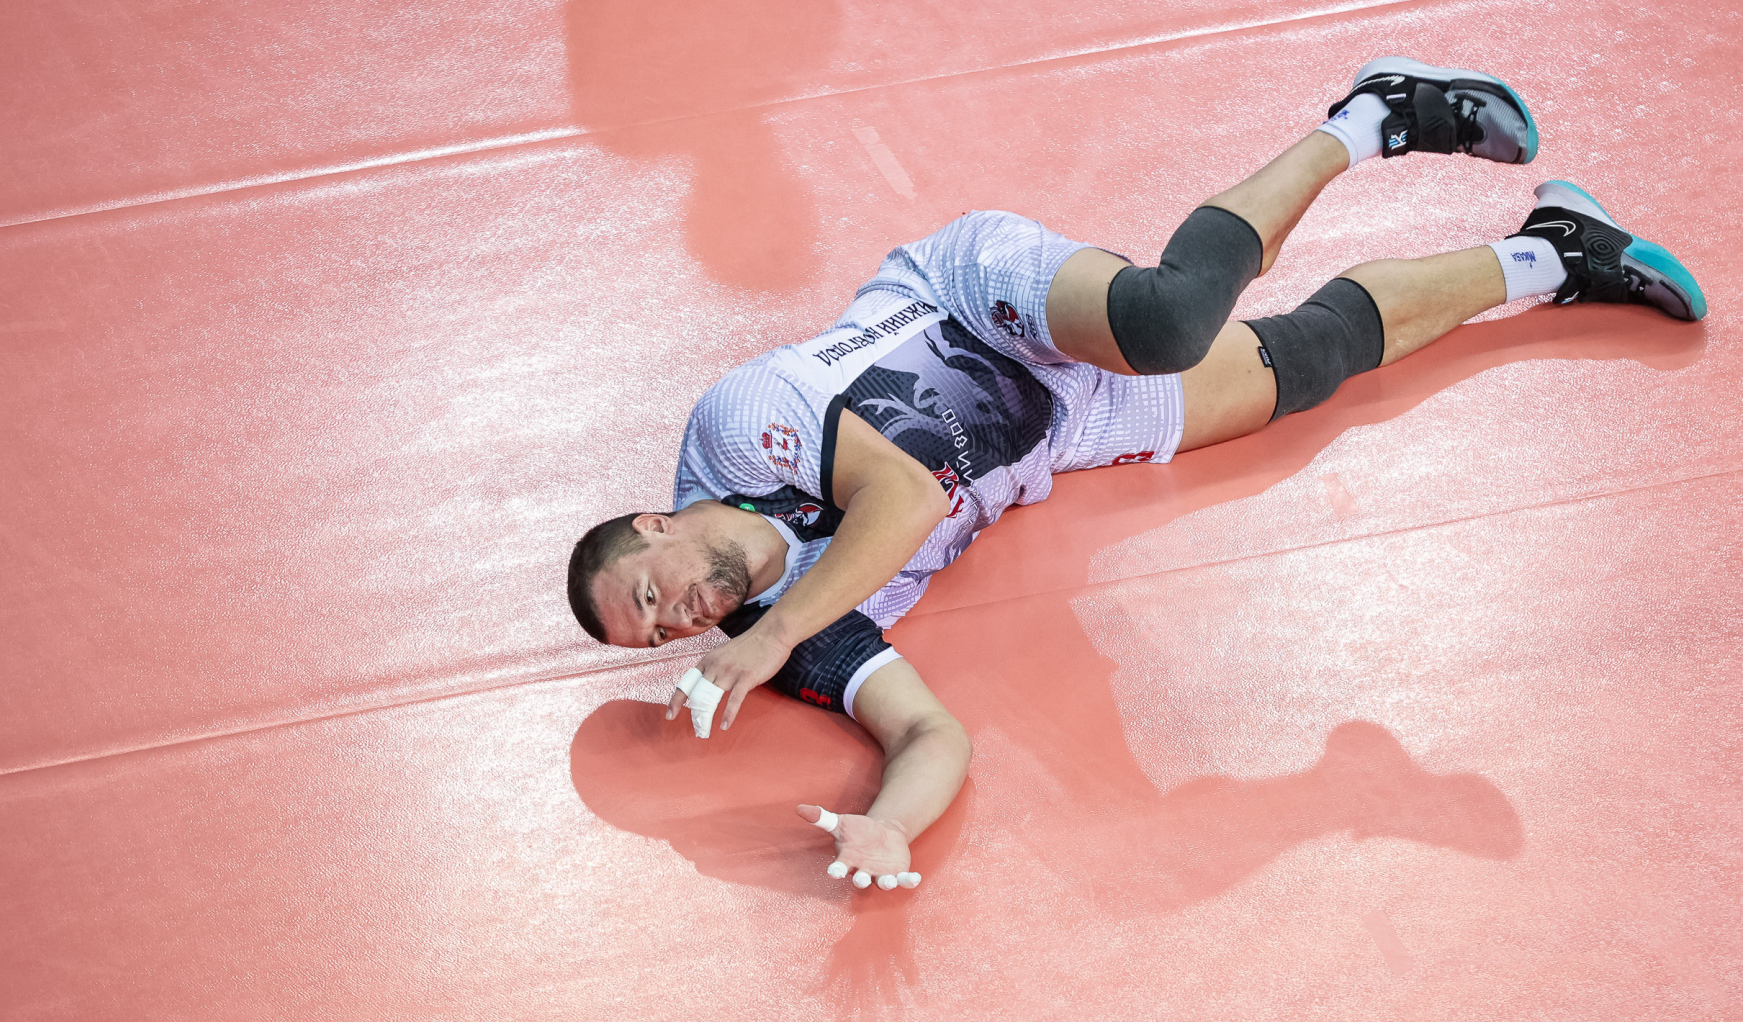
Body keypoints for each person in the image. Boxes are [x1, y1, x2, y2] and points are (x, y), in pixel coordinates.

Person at [564, 56, 1706, 890]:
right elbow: (930, 737)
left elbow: (900, 495)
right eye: (657, 633)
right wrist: (892, 826)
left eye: (651, 593)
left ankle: (1373, 116)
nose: (681, 620)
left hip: (967, 304)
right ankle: (1553, 255)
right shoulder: (789, 635)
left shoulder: (732, 436)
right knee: (1310, 363)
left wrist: (769, 638)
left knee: (1164, 318)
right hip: (1057, 427)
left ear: (656, 522)